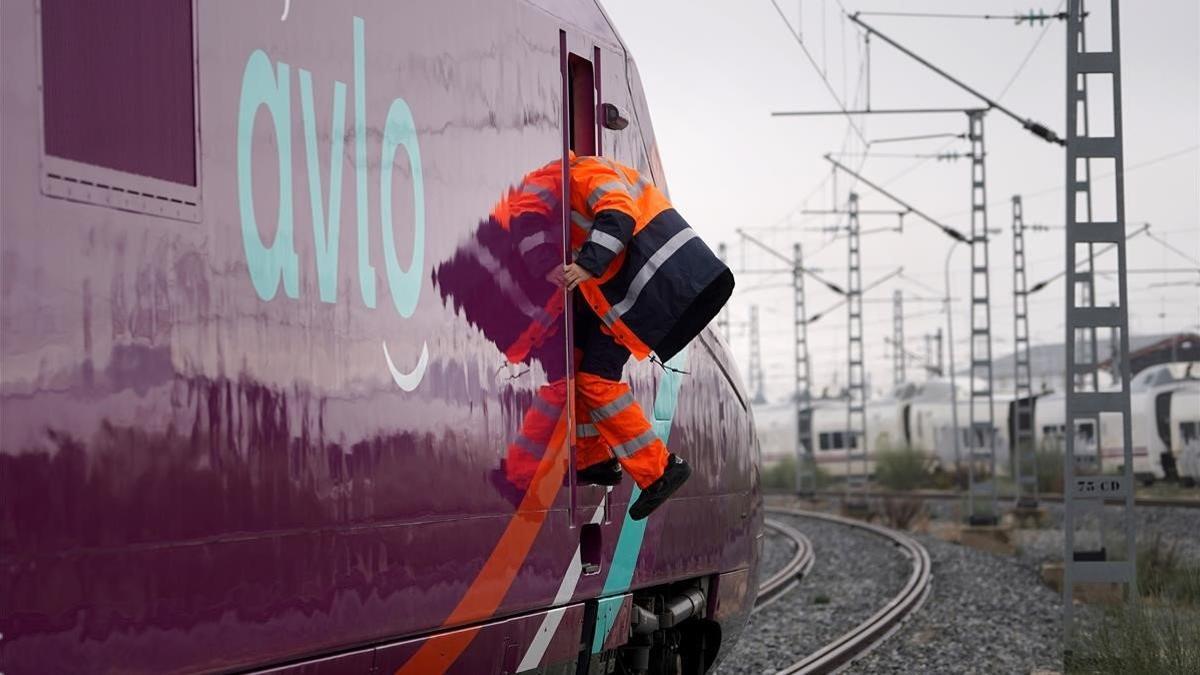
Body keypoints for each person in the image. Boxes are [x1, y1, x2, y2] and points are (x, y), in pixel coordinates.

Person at [564, 154, 733, 520]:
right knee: (581, 368)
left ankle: (660, 470)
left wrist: (585, 265)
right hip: (630, 298)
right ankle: (595, 459)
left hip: (645, 295)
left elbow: (619, 213)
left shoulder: (583, 173)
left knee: (596, 380)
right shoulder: (574, 178)